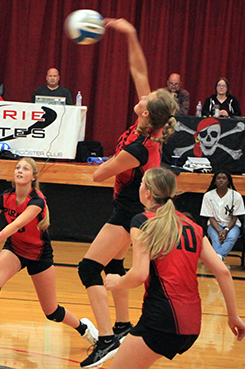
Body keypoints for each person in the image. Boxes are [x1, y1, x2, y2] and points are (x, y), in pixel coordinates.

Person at [78, 19, 178, 368]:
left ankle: (105, 340)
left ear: (147, 113)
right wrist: (130, 33)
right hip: (136, 211)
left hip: (129, 212)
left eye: (147, 100)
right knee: (115, 265)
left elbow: (97, 175)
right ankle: (122, 328)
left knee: (88, 269)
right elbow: (139, 69)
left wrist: (110, 162)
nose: (143, 96)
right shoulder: (149, 127)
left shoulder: (139, 146)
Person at [0, 157, 98, 359]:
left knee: (52, 312)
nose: (20, 170)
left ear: (33, 177)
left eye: (25, 169)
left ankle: (83, 327)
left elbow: (15, 225)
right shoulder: (5, 197)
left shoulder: (37, 201)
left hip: (38, 254)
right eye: (17, 167)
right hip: (15, 249)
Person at [104, 167, 245, 369]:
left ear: (147, 193)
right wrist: (233, 316)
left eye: (143, 182)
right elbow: (223, 271)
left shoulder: (143, 221)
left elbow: (139, 274)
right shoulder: (192, 225)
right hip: (191, 323)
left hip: (162, 319)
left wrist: (116, 281)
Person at [200, 170, 245, 261]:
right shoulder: (208, 196)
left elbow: (234, 217)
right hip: (215, 224)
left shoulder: (236, 196)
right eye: (218, 178)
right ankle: (218, 260)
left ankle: (216, 259)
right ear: (214, 181)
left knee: (231, 237)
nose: (221, 180)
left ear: (228, 181)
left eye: (224, 178)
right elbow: (210, 217)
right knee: (216, 239)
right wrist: (220, 231)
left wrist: (226, 230)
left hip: (232, 225)